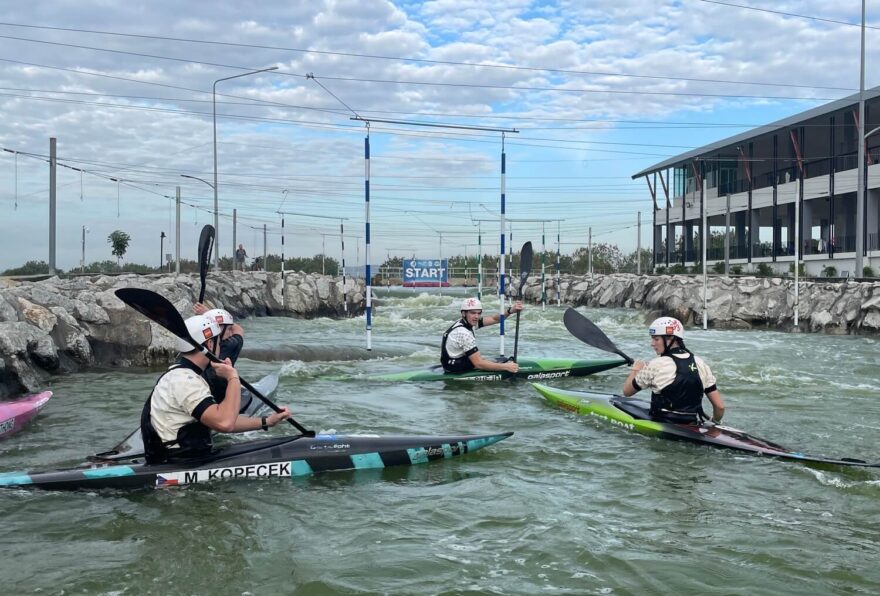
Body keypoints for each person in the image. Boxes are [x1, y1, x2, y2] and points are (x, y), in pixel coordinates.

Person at [140, 314, 290, 464]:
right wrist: (232, 378)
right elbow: (224, 423)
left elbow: (221, 418)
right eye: (219, 342)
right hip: (179, 463)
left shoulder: (182, 375)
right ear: (210, 344)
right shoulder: (185, 380)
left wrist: (266, 422)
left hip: (184, 457)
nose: (221, 345)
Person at [622, 316, 725, 425]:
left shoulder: (656, 364)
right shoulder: (700, 363)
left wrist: (636, 368)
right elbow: (720, 407)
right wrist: (715, 422)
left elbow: (627, 392)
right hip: (692, 423)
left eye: (656, 339)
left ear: (670, 338)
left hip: (663, 423)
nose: (652, 343)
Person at [440, 297, 523, 374]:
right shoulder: (463, 333)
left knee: (496, 360)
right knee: (496, 362)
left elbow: (495, 319)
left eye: (479, 313)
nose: (476, 317)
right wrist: (506, 367)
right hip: (453, 367)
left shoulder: (467, 322)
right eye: (473, 313)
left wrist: (510, 310)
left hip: (451, 361)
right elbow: (478, 364)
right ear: (463, 313)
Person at [193, 304, 245, 403]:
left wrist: (209, 317)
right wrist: (209, 314)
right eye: (229, 329)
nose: (230, 334)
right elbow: (239, 330)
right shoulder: (231, 344)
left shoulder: (195, 346)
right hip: (215, 399)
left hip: (206, 397)